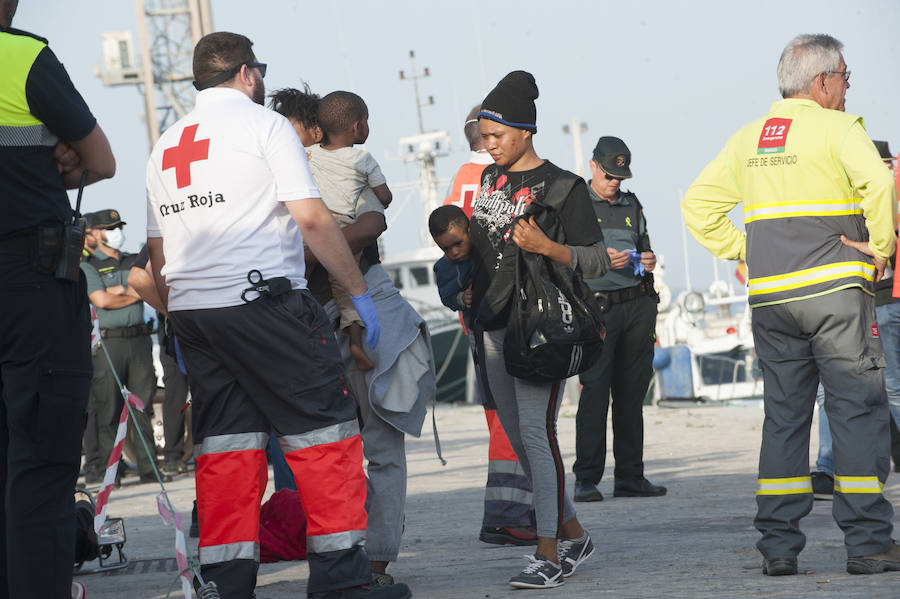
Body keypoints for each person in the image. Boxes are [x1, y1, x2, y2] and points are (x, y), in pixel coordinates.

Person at [144, 31, 408, 599]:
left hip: (194, 315)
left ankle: (226, 582)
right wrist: (357, 292)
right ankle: (342, 579)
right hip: (263, 304)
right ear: (247, 73)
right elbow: (311, 219)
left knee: (227, 448)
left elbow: (159, 252)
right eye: (258, 69)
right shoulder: (264, 126)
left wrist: (181, 318)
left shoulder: (165, 145)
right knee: (325, 434)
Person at [682, 34, 900, 576]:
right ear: (822, 81)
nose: (848, 88)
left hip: (772, 299)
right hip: (835, 295)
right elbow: (879, 182)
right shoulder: (838, 129)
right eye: (845, 77)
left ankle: (778, 546)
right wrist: (881, 247)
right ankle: (869, 544)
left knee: (783, 418)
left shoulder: (747, 139)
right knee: (855, 411)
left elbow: (696, 205)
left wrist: (748, 251)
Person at [273, 86, 435, 590]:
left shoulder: (341, 167)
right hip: (308, 319)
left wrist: (314, 250)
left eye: (289, 131)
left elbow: (372, 221)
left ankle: (377, 562)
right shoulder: (273, 179)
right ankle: (345, 553)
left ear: (314, 131)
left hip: (362, 303)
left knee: (382, 446)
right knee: (329, 450)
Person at [469, 70, 612, 589]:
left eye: (497, 135)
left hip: (538, 328)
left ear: (525, 131)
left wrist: (547, 248)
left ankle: (547, 553)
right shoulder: (490, 180)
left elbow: (597, 261)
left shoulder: (564, 187)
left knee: (537, 435)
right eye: (484, 136)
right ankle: (574, 533)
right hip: (490, 324)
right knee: (519, 438)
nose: (489, 145)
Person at [0, 1, 116, 596]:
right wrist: (52, 168)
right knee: (41, 461)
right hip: (28, 284)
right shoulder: (20, 56)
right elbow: (101, 161)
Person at [429, 203, 538, 545]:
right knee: (508, 423)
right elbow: (449, 295)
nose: (453, 252)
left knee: (513, 423)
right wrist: (461, 298)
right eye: (446, 248)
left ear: (469, 231)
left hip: (503, 339)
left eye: (457, 244)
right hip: (489, 343)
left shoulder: (486, 248)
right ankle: (507, 516)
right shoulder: (449, 266)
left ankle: (523, 511)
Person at [572, 137, 666, 502]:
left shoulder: (632, 204)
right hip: (597, 308)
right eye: (609, 175)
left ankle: (630, 476)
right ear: (593, 167)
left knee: (631, 394)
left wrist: (648, 258)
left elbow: (644, 244)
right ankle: (586, 478)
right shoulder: (576, 206)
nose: (614, 182)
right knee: (595, 392)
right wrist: (599, 259)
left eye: (620, 177)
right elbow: (564, 255)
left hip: (637, 305)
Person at [811, 139, 900, 498]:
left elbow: (883, 248)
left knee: (888, 386)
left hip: (881, 300)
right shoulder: (846, 199)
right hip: (848, 301)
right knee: (832, 389)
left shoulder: (884, 200)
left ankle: (830, 468)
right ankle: (827, 467)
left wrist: (869, 246)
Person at [308, 91, 393, 372]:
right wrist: (378, 195)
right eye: (367, 121)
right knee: (347, 287)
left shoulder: (309, 154)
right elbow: (384, 196)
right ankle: (356, 342)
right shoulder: (364, 160)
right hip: (344, 229)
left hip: (314, 224)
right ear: (357, 127)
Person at [80, 210, 165, 485]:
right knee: (108, 410)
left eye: (118, 226)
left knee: (142, 407)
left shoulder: (132, 260)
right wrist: (133, 292)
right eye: (110, 228)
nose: (117, 231)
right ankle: (111, 474)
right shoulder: (88, 265)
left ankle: (149, 470)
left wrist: (120, 291)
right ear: (96, 233)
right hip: (109, 344)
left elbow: (148, 286)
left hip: (139, 340)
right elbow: (101, 300)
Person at [126, 245, 193, 476]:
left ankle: (200, 453)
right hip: (178, 330)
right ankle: (173, 456)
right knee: (177, 395)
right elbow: (137, 278)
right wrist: (170, 311)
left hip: (197, 324)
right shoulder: (165, 233)